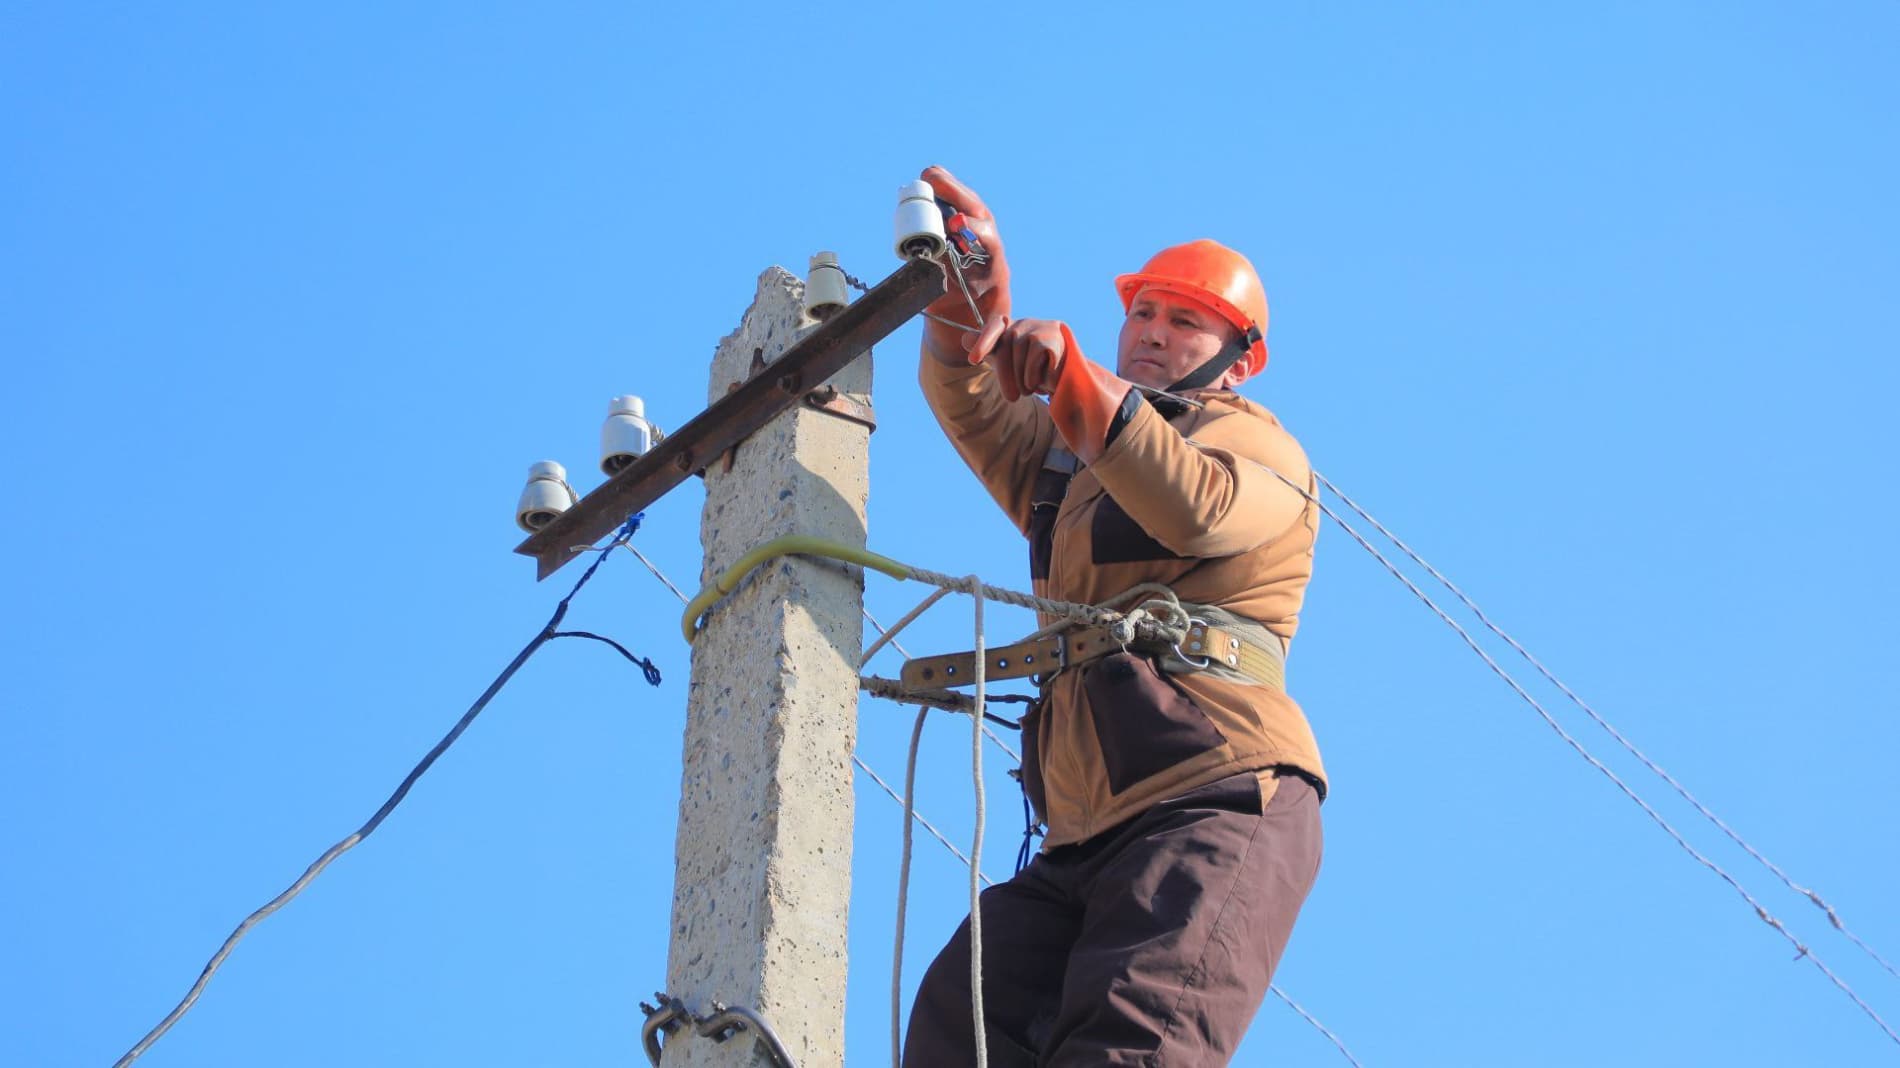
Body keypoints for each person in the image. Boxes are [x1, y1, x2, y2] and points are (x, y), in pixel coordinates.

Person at [902, 165, 1328, 1067]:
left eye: (1183, 321)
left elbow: (1198, 508)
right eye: (1143, 314)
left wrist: (1086, 395)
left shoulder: (1255, 443)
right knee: (961, 1019)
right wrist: (968, 314)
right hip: (1081, 832)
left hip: (1211, 795)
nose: (1152, 335)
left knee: (1130, 1045)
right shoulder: (1078, 467)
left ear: (1237, 355)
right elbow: (981, 410)